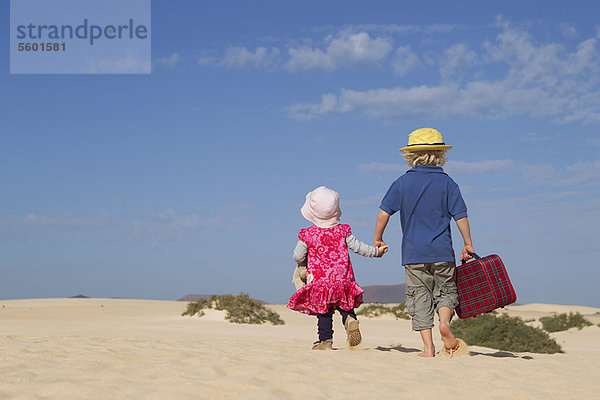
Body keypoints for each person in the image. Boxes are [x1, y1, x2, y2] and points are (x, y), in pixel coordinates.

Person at [373, 128, 474, 358]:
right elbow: (461, 216)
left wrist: (378, 238)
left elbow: (383, 214)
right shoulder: (448, 184)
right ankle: (445, 322)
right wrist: (468, 244)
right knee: (447, 292)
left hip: (413, 254)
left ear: (410, 155)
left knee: (420, 298)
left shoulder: (402, 183)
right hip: (442, 253)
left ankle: (428, 348)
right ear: (440, 155)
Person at [288, 186, 388, 350]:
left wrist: (304, 260)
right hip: (343, 280)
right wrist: (376, 251)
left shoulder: (308, 234)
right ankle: (350, 320)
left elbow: (297, 256)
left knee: (324, 312)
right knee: (345, 306)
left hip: (320, 282)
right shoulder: (342, 231)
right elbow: (359, 247)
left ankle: (325, 341)